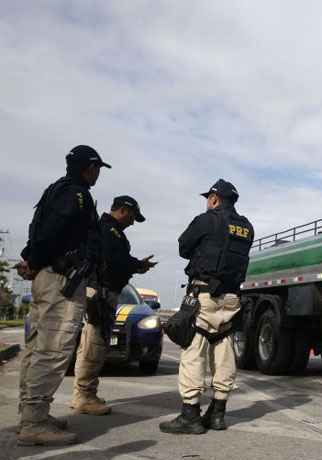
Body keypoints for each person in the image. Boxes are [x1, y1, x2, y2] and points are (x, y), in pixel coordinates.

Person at [15, 145, 110, 446]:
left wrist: (32, 259)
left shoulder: (56, 190)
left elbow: (39, 232)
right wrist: (36, 259)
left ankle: (31, 413)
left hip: (49, 277)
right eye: (97, 169)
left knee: (37, 348)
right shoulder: (77, 194)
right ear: (88, 167)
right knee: (53, 349)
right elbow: (52, 233)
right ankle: (34, 422)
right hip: (61, 282)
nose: (97, 175)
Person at [160, 179, 254, 434]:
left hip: (205, 294)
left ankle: (190, 414)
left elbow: (183, 247)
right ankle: (218, 413)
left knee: (194, 349)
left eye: (208, 199)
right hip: (232, 298)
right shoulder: (247, 227)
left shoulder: (207, 219)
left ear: (214, 198)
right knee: (224, 350)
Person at [71, 195, 156, 415]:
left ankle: (83, 393)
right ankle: (84, 396)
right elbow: (115, 261)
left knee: (90, 343)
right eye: (133, 217)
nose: (133, 222)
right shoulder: (110, 231)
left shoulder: (107, 230)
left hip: (102, 291)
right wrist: (138, 265)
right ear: (124, 211)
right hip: (100, 291)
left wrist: (136, 265)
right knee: (95, 345)